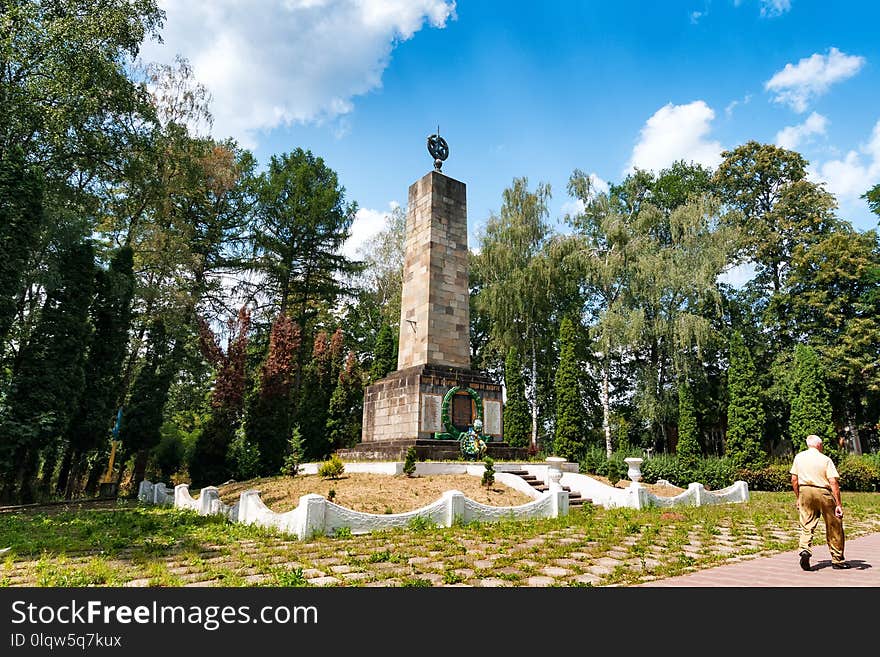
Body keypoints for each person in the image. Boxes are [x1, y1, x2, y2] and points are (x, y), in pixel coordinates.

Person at [790, 434, 849, 570]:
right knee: (834, 524)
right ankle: (837, 560)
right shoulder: (825, 459)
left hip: (805, 491)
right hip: (823, 492)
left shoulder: (799, 457)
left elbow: (794, 479)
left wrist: (798, 497)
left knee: (806, 524)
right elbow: (833, 482)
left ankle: (805, 549)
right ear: (819, 445)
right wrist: (838, 504)